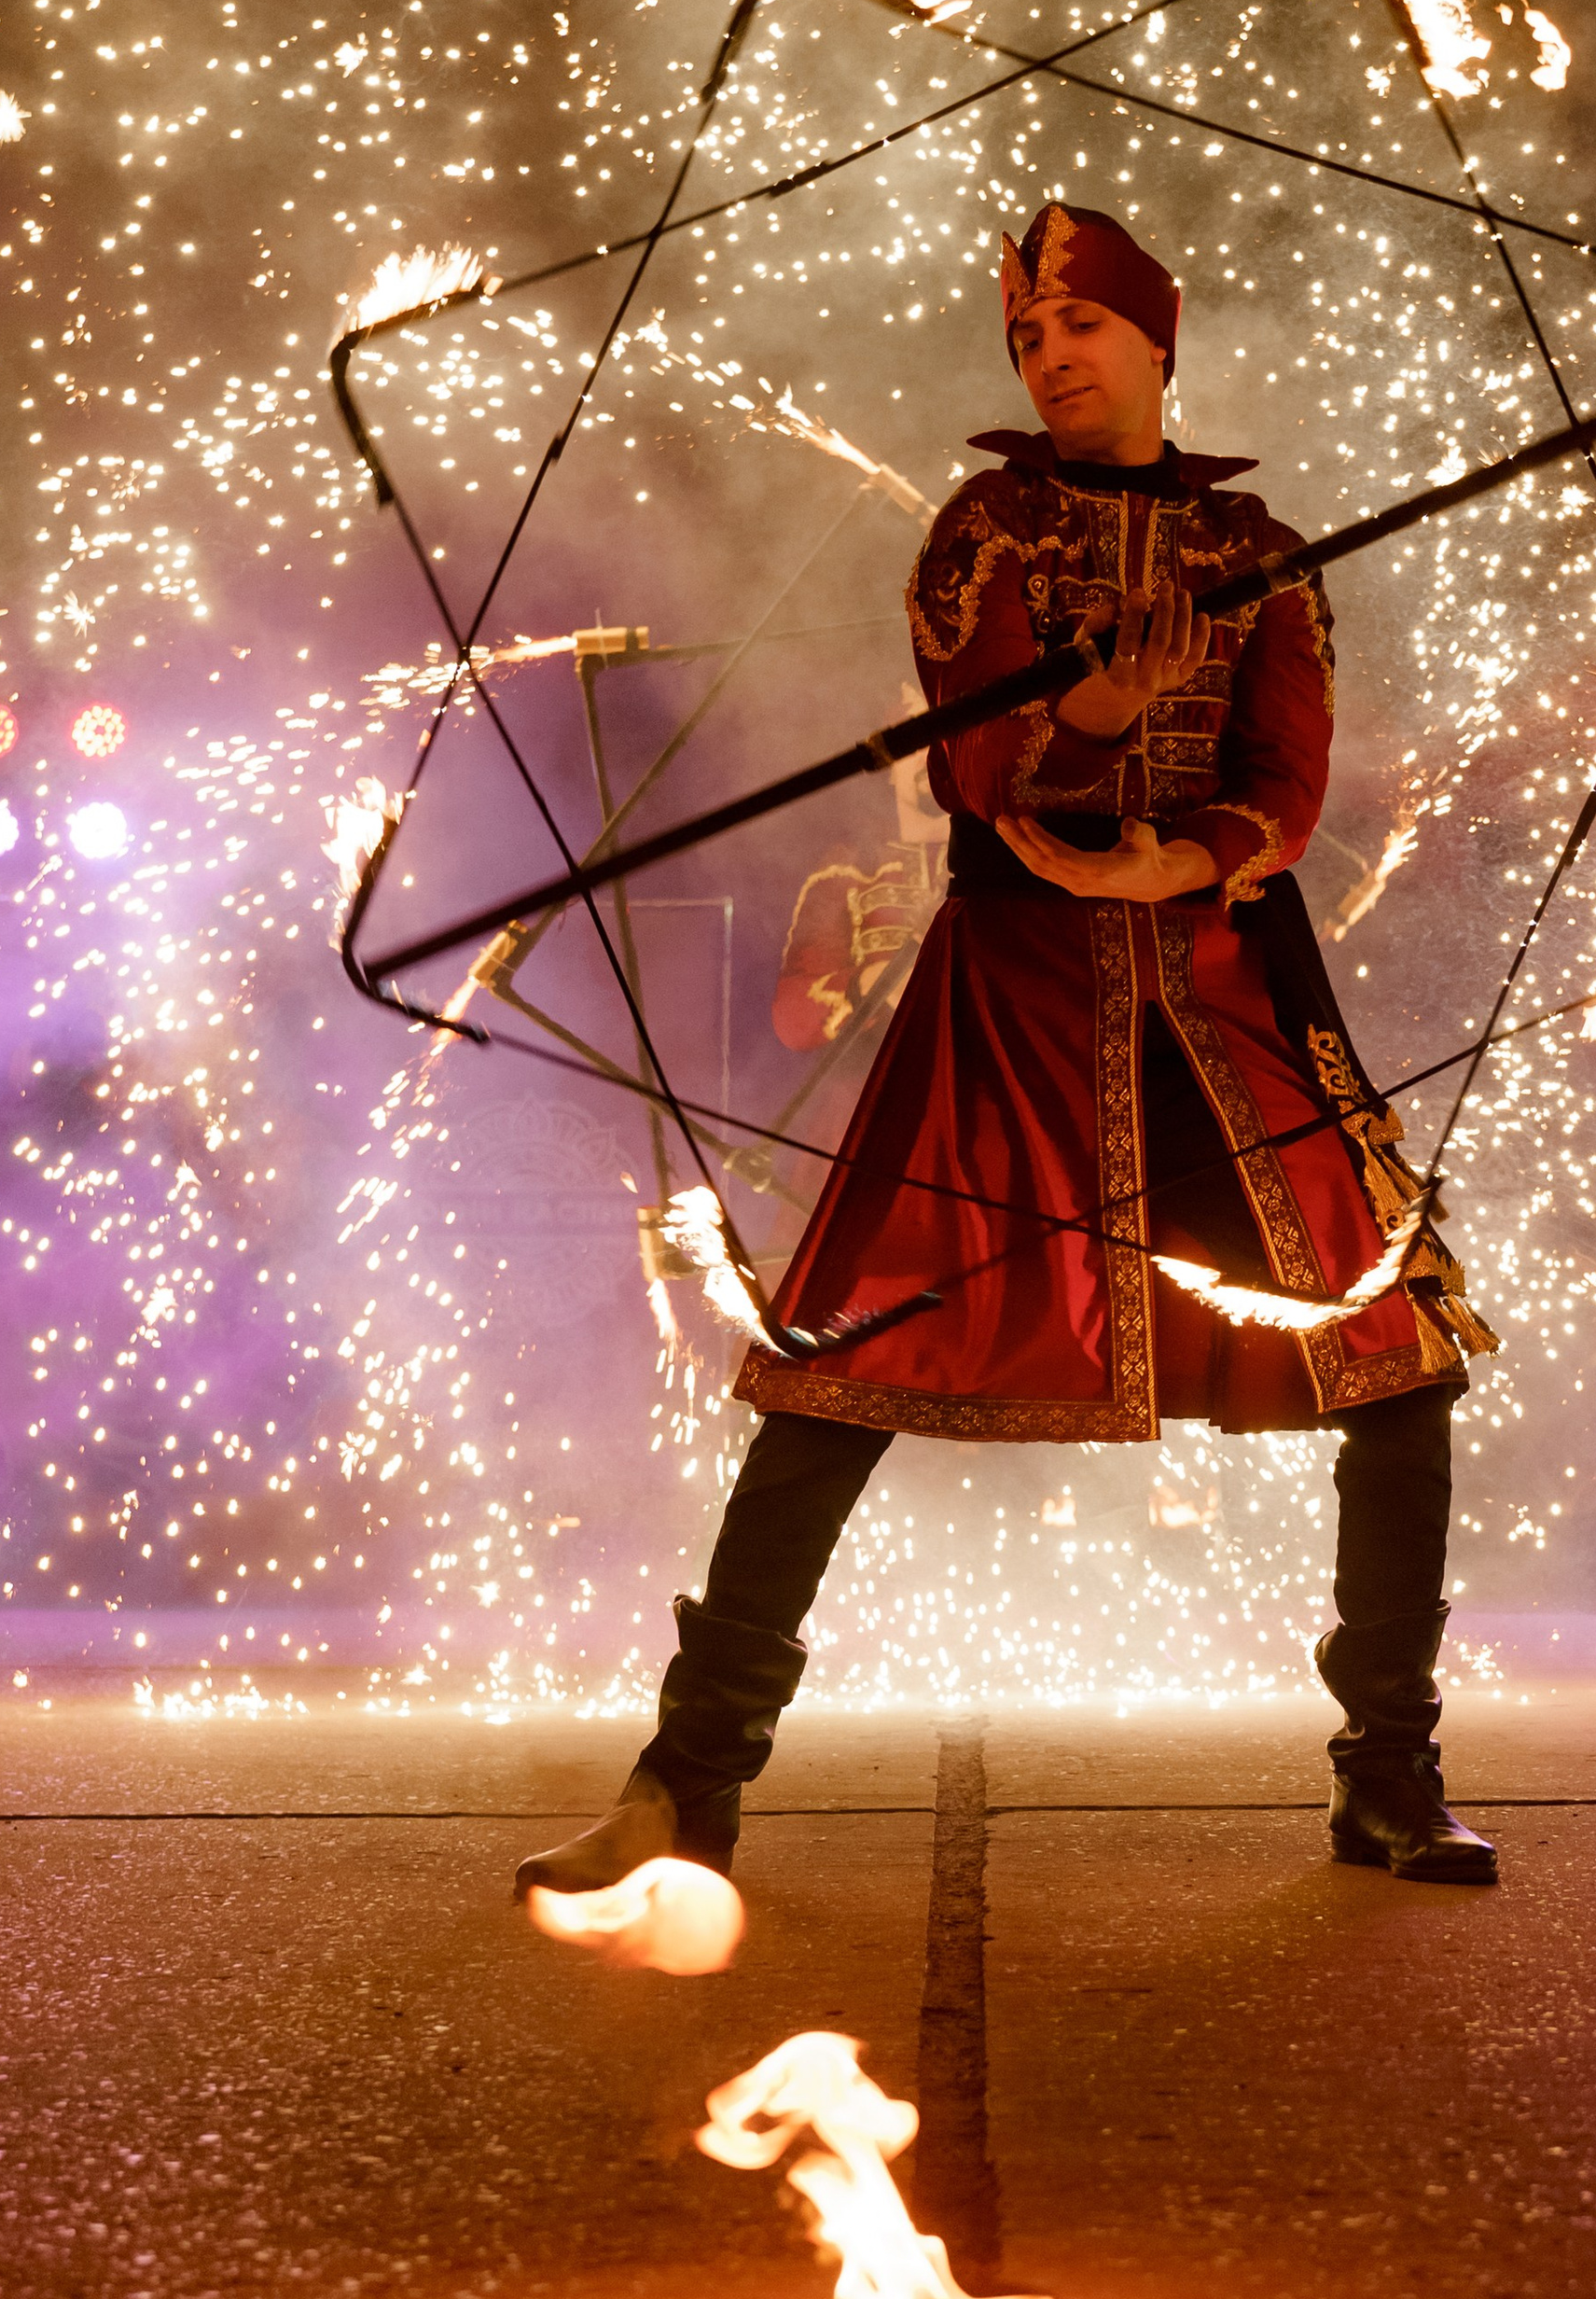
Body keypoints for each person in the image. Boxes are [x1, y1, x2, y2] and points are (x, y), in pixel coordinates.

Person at [520, 201, 1501, 1898]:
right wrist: (1094, 717)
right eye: (1028, 337)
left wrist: (1169, 862)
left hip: (1221, 993)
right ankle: (687, 1785)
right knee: (839, 1369)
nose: (1051, 358)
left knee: (1395, 1365)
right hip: (1015, 1002)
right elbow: (977, 773)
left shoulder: (1261, 550)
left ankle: (1390, 1776)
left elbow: (1286, 786)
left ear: (1157, 341)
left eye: (1081, 327)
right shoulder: (983, 532)